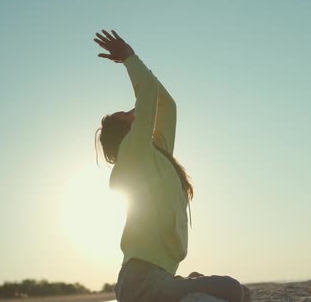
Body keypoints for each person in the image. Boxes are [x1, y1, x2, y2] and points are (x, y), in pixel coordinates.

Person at [93, 29, 251, 302]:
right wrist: (130, 58)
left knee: (237, 291)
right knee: (231, 291)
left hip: (159, 277)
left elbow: (167, 105)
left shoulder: (156, 156)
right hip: (140, 282)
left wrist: (135, 64)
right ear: (123, 133)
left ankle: (189, 287)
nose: (134, 111)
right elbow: (149, 94)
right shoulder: (133, 154)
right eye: (125, 114)